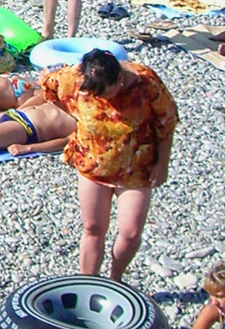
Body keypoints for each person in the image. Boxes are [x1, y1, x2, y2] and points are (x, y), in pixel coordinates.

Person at [43, 50, 177, 281]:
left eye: (107, 93)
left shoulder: (146, 83)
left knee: (131, 232)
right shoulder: (74, 78)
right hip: (93, 164)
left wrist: (162, 164)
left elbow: (168, 121)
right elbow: (48, 86)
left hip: (136, 167)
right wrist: (76, 116)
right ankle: (88, 281)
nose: (104, 99)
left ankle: (115, 279)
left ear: (120, 79)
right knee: (93, 228)